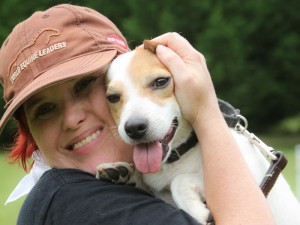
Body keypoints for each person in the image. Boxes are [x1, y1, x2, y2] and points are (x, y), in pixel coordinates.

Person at [0, 4, 276, 225]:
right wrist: (206, 114)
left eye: (84, 85)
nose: (72, 120)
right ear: (28, 129)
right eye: (44, 110)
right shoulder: (76, 203)